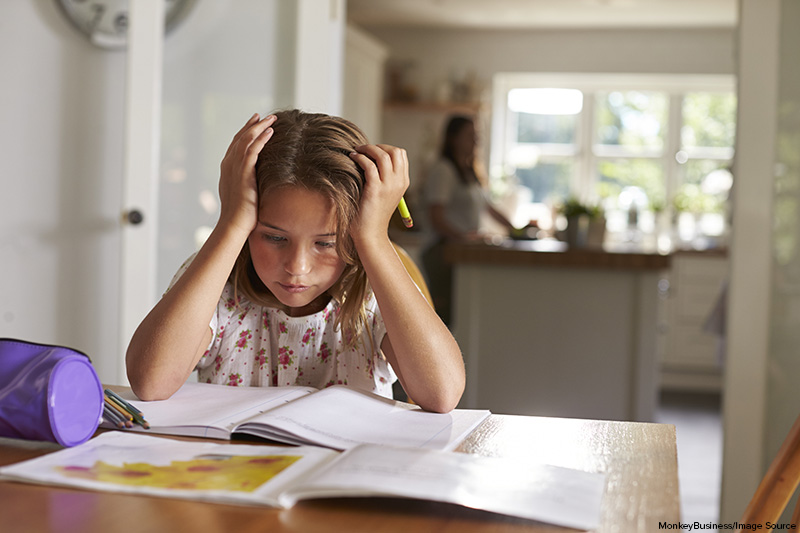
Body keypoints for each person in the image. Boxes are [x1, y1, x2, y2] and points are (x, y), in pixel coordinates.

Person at [126, 110, 465, 413]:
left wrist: (375, 239)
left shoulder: (370, 289)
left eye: (326, 243)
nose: (297, 267)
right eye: (274, 237)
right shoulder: (219, 281)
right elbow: (151, 382)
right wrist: (231, 222)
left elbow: (442, 393)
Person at [421, 115, 518, 325]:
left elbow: (489, 208)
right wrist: (464, 237)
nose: (476, 141)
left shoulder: (469, 172)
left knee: (459, 317)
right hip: (443, 253)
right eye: (470, 136)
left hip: (461, 252)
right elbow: (436, 216)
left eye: (477, 136)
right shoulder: (443, 170)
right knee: (443, 318)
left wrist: (516, 229)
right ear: (453, 138)